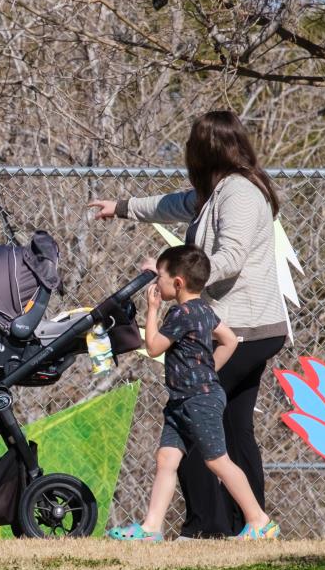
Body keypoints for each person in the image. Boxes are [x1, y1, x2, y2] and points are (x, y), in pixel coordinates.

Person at [89, 110, 289, 536]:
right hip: (244, 328)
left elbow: (231, 256)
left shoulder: (239, 194)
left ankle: (209, 524)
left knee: (192, 416)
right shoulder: (217, 191)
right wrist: (121, 208)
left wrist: (179, 282)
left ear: (204, 150)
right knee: (233, 425)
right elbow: (171, 205)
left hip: (244, 329)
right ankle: (249, 525)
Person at [107, 246, 277, 542]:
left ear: (178, 283)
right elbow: (228, 339)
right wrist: (212, 368)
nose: (155, 283)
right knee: (167, 459)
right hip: (182, 400)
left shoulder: (181, 313)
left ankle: (259, 520)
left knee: (217, 461)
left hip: (198, 401)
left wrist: (152, 310)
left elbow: (154, 347)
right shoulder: (205, 311)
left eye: (159, 276)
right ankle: (150, 528)